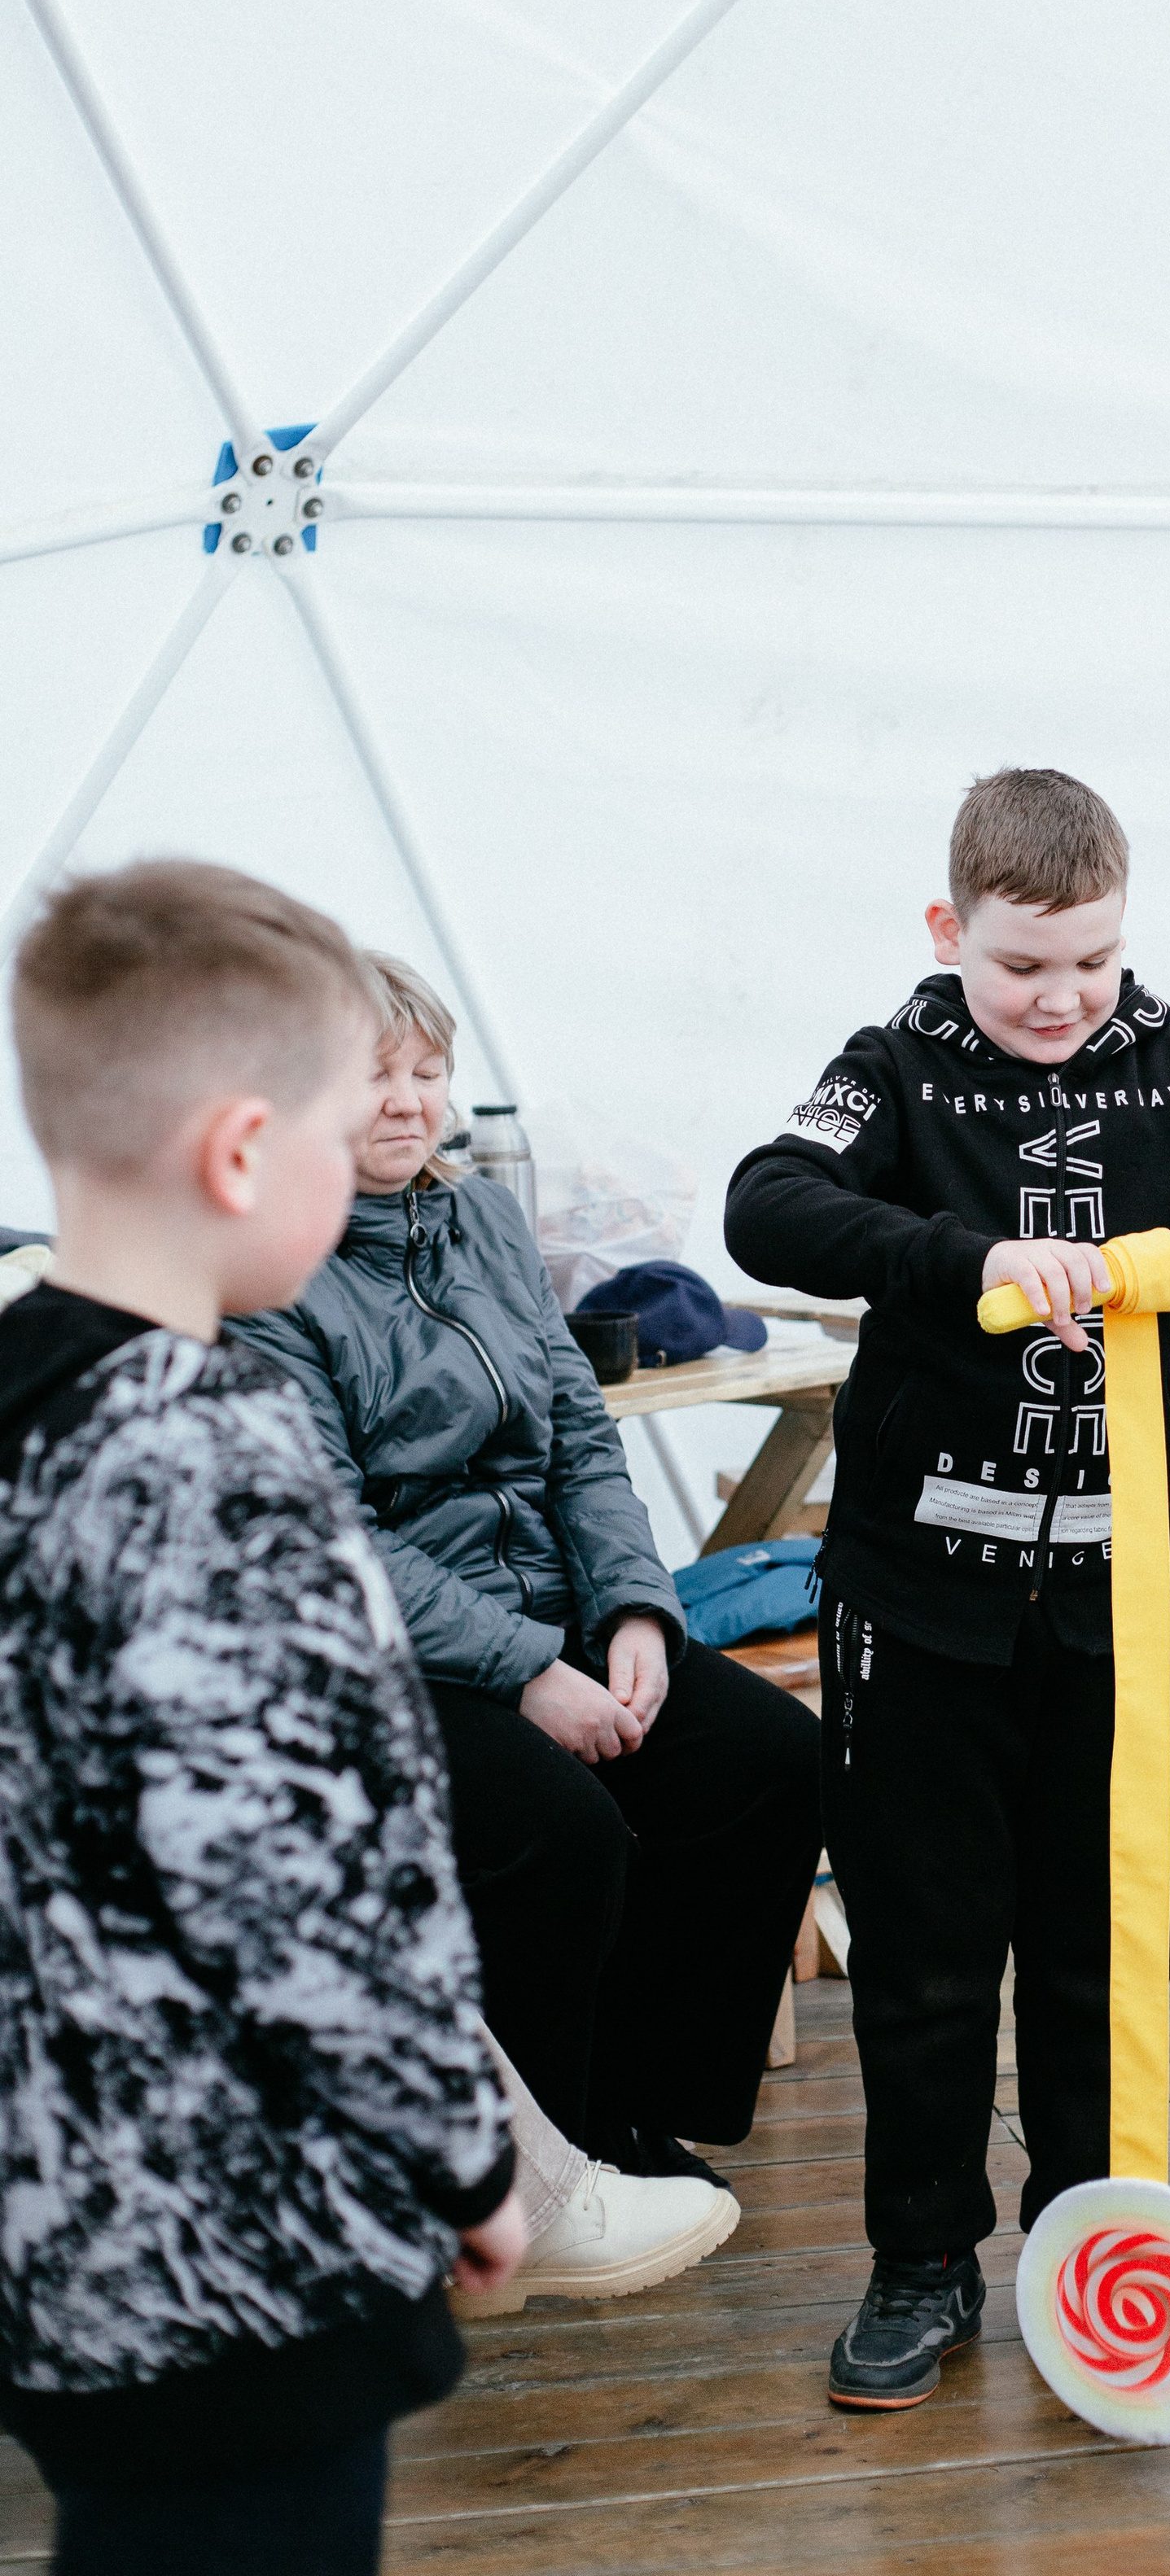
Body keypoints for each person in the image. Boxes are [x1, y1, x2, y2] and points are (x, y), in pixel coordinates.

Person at [725, 767, 1170, 2410]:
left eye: (1091, 960)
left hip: (1118, 1603)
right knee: (926, 1949)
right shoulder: (894, 1064)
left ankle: (1096, 2244)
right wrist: (957, 1268)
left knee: (1104, 1945)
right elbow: (764, 1206)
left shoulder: (1165, 1053)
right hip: (916, 1603)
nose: (1061, 998)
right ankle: (920, 2261)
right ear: (950, 929)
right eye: (1026, 964)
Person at [0, 861, 525, 2576]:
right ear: (240, 1153)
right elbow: (292, 1879)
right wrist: (461, 2152)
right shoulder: (214, 1452)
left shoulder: (24, 1407)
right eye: (328, 1129)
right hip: (231, 2245)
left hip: (54, 2214)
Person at [229, 954, 822, 2238]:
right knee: (558, 1829)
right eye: (369, 1074)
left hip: (551, 1605)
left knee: (767, 1761)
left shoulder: (484, 1222)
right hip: (388, 1657)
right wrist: (522, 1669)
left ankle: (630, 2111)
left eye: (426, 1071)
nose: (406, 1101)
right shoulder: (265, 1274)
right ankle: (524, 2168)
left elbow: (577, 1432)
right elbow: (335, 1540)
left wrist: (633, 1616)